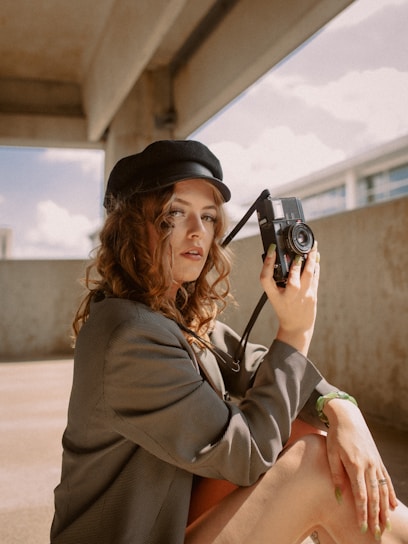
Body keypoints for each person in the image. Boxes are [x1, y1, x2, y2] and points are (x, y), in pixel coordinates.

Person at [51, 139, 408, 544]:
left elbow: (251, 364)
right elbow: (249, 453)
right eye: (175, 213)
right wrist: (296, 331)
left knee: (317, 442)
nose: (196, 232)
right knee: (314, 466)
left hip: (166, 516)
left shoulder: (169, 312)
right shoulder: (130, 337)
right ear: (133, 228)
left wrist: (340, 408)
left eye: (207, 217)